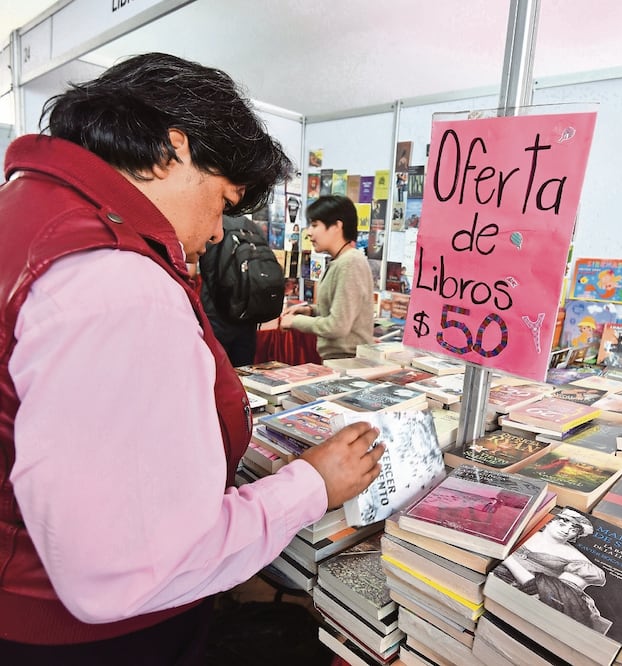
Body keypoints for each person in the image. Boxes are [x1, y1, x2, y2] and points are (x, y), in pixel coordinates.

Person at [0, 53, 385, 663]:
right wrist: (311, 484)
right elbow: (123, 569)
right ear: (172, 149)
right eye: (224, 201)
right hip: (95, 638)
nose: (215, 233)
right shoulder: (115, 280)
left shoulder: (29, 215)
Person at [273, 195, 374, 359]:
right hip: (340, 361)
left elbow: (338, 326)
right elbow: (341, 310)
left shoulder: (350, 263)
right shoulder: (340, 261)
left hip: (347, 361)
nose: (309, 233)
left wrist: (294, 321)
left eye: (314, 225)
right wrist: (309, 311)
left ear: (337, 226)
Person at [492, 508, 609, 632]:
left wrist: (508, 561)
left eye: (573, 530)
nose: (566, 531)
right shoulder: (527, 530)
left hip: (526, 593)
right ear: (549, 521)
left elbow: (553, 590)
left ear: (577, 535)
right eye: (561, 524)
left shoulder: (577, 558)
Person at [199, 214, 266, 366]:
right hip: (247, 315)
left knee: (214, 374)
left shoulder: (212, 224)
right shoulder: (251, 226)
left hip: (216, 314)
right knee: (242, 375)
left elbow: (194, 270)